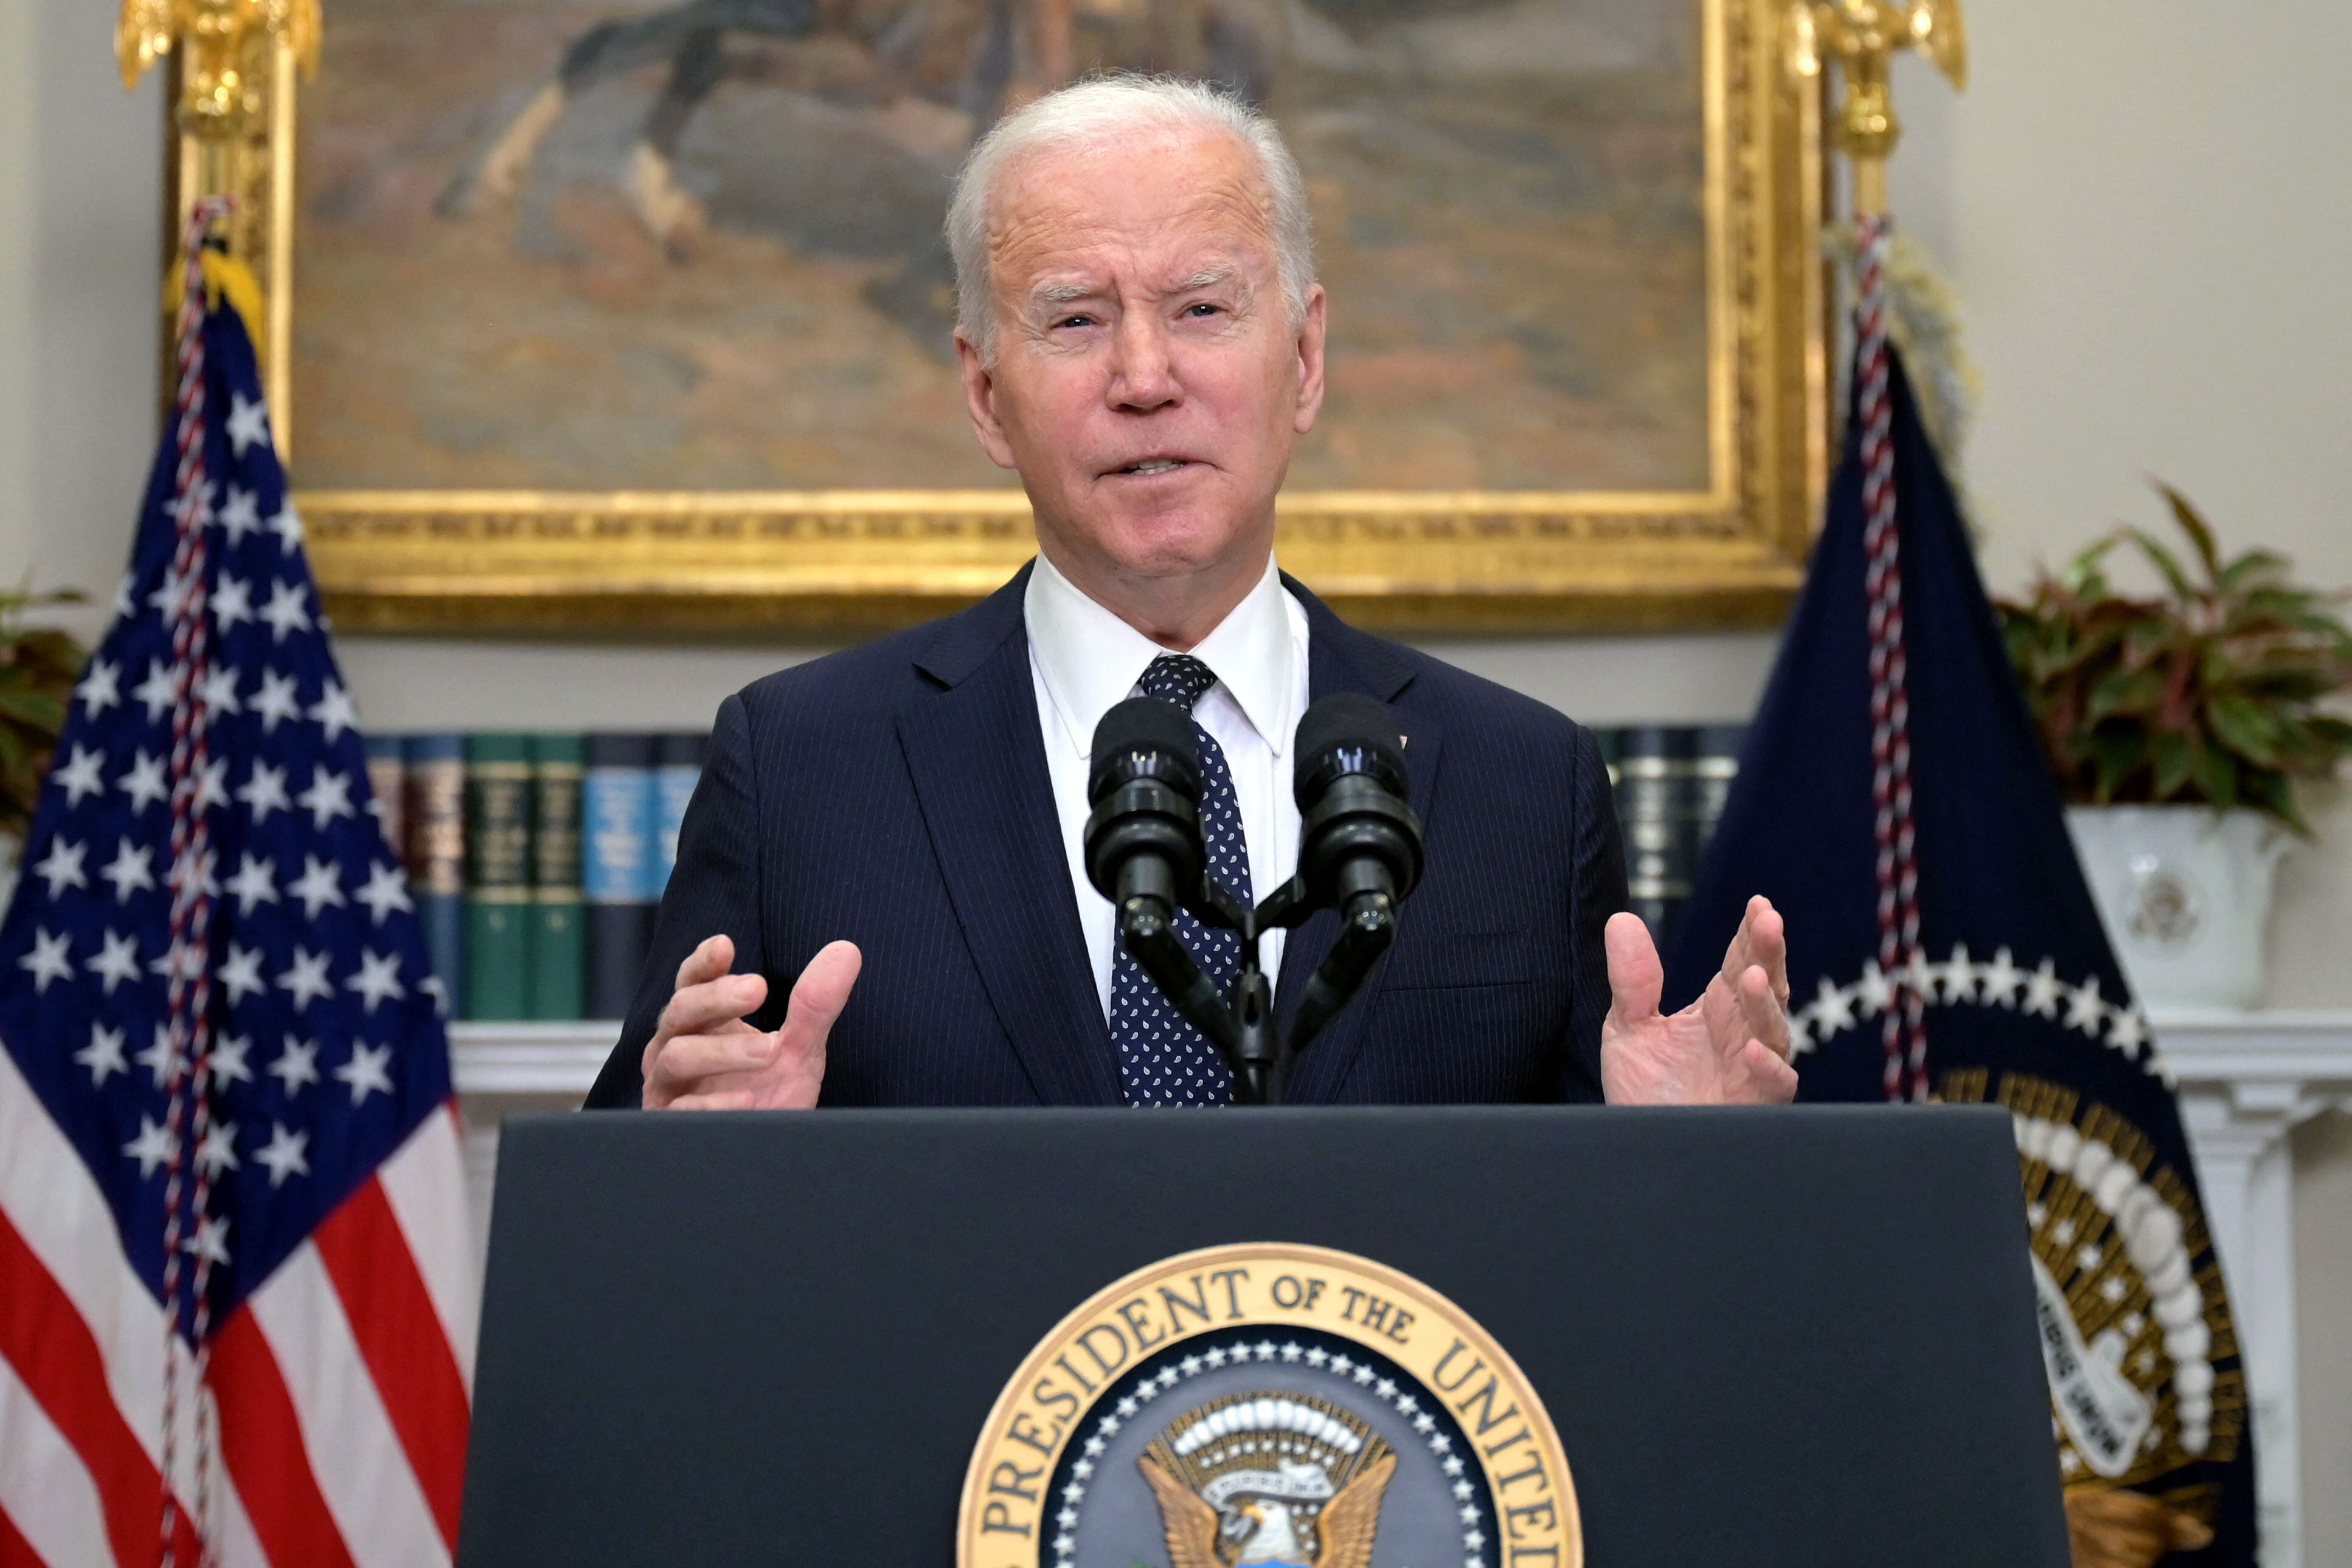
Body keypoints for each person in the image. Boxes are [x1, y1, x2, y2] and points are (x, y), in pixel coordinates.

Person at [583, 75, 1797, 1112]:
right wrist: (687, 1153)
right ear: (983, 392)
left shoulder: (1521, 780)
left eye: (1201, 308)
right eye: (1074, 318)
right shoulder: (803, 768)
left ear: (1305, 360)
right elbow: (632, 1249)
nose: (1144, 376)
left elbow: (1589, 1289)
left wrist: (1675, 1154)